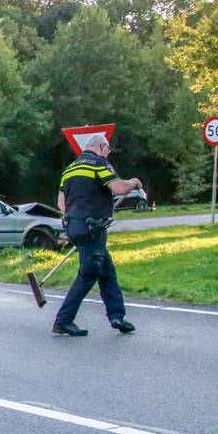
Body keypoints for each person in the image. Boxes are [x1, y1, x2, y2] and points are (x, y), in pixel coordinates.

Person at [52, 133, 142, 337]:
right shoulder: (98, 163)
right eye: (108, 150)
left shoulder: (70, 169)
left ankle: (117, 316)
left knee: (106, 270)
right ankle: (63, 320)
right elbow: (119, 188)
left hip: (74, 225)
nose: (108, 155)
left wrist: (77, 219)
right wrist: (134, 182)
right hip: (92, 227)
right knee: (89, 273)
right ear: (102, 146)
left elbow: (61, 204)